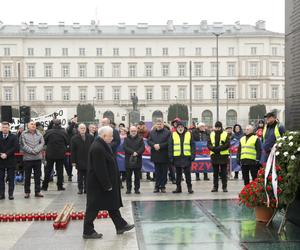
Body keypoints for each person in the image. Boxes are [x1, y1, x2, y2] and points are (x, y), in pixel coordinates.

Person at [83, 126, 134, 239]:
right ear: (104, 136)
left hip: (104, 183)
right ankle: (88, 231)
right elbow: (99, 168)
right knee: (93, 207)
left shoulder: (102, 145)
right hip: (99, 184)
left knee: (112, 204)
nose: (112, 138)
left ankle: (121, 225)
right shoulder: (97, 147)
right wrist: (107, 185)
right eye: (110, 136)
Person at [19, 121, 45, 198]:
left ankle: (37, 191)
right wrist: (31, 151)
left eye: (34, 124)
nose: (33, 125)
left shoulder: (39, 134)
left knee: (38, 176)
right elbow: (23, 144)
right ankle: (27, 192)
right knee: (27, 177)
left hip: (37, 158)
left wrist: (36, 151)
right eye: (31, 124)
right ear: (28, 126)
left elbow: (42, 143)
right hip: (27, 159)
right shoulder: (23, 134)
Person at [168, 121, 195, 194]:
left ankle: (189, 188)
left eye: (181, 127)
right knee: (178, 175)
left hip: (187, 157)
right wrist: (171, 157)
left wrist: (192, 155)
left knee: (187, 174)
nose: (180, 128)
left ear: (184, 127)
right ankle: (178, 188)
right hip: (177, 157)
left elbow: (192, 145)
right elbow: (170, 147)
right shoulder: (173, 134)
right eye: (178, 127)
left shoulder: (189, 134)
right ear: (176, 128)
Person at [42, 119, 69, 191]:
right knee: (60, 171)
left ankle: (45, 186)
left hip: (50, 154)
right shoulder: (63, 132)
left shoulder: (48, 132)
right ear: (60, 124)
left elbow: (44, 141)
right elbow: (67, 142)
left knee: (48, 170)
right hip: (60, 154)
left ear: (53, 124)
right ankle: (60, 186)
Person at [148, 119, 171, 193]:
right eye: (157, 124)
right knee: (157, 172)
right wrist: (154, 145)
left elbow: (169, 142)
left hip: (164, 155)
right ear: (156, 125)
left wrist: (160, 146)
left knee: (164, 172)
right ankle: (157, 186)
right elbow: (149, 141)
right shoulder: (152, 132)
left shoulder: (167, 132)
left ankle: (163, 186)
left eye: (160, 124)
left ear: (163, 125)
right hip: (155, 155)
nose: (159, 125)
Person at [71, 124, 94, 194]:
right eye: (81, 128)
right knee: (80, 176)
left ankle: (87, 188)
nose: (83, 129)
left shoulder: (90, 137)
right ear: (78, 129)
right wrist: (73, 161)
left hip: (88, 159)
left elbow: (93, 149)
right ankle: (80, 188)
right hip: (79, 159)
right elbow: (73, 151)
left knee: (88, 175)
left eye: (84, 128)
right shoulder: (74, 138)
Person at [208, 121, 230, 193]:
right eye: (216, 127)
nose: (217, 129)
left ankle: (224, 187)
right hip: (214, 155)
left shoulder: (225, 134)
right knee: (215, 173)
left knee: (224, 173)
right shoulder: (211, 134)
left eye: (219, 127)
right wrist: (213, 148)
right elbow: (208, 144)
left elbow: (227, 145)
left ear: (221, 127)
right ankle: (215, 187)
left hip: (223, 156)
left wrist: (219, 148)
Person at [123, 126, 145, 194]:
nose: (133, 132)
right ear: (129, 131)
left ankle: (137, 189)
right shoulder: (126, 139)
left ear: (136, 131)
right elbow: (125, 147)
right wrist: (133, 152)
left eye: (134, 131)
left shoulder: (140, 139)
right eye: (132, 131)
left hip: (137, 160)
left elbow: (142, 148)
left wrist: (137, 153)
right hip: (128, 160)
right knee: (128, 176)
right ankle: (128, 189)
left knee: (137, 177)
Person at [0, 122, 19, 200]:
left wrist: (6, 154)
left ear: (9, 128)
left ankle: (11, 194)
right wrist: (1, 154)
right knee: (0, 178)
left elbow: (16, 147)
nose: (5, 129)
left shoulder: (14, 137)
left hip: (11, 160)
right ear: (1, 128)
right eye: (3, 127)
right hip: (0, 160)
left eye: (6, 127)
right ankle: (1, 194)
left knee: (11, 178)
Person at [65, 116, 78, 181]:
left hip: (77, 148)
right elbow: (70, 129)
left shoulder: (77, 128)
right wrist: (73, 122)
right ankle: (69, 174)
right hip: (70, 149)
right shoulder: (68, 128)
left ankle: (79, 175)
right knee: (69, 163)